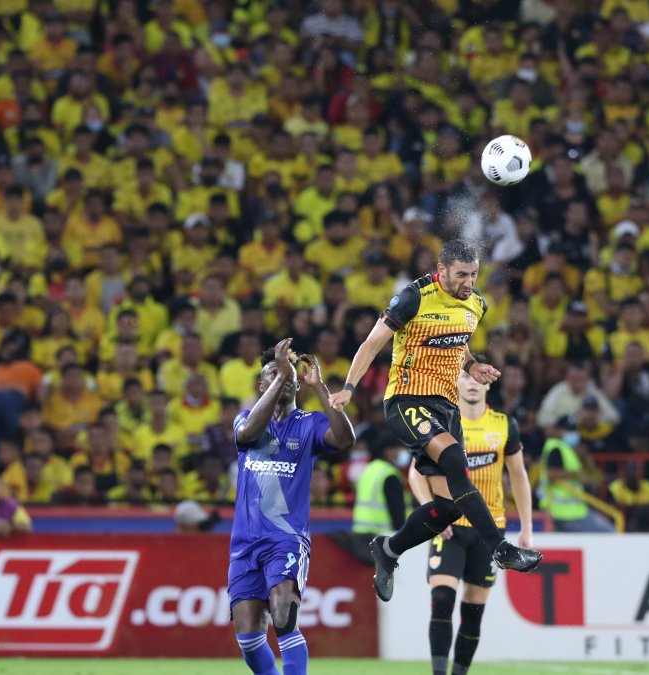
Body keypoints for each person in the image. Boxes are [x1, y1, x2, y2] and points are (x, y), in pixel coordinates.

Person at [329, 239, 542, 603]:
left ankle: (389, 549)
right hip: (407, 399)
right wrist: (349, 388)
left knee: (447, 508)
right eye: (461, 274)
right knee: (457, 462)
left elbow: (457, 346)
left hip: (446, 408)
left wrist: (473, 365)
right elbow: (371, 344)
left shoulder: (477, 304)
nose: (469, 282)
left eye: (474, 274)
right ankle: (500, 549)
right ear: (441, 270)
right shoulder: (413, 297)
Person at [229, 338, 354, 675]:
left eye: (286, 375)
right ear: (261, 384)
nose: (279, 378)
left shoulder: (309, 424)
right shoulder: (246, 420)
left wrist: (321, 388)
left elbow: (344, 440)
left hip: (286, 538)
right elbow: (247, 434)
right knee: (249, 641)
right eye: (271, 374)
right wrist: (284, 374)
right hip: (245, 544)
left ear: (298, 384)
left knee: (284, 615)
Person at [409, 369, 534, 675]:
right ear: (456, 382)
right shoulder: (442, 423)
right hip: (450, 528)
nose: (473, 384)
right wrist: (434, 510)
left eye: (479, 379)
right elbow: (416, 472)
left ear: (489, 383)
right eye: (466, 377)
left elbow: (518, 477)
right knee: (441, 598)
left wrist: (526, 530)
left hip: (489, 532)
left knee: (473, 612)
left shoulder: (505, 425)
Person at [350, 443, 409, 535]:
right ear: (388, 451)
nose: (403, 452)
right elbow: (396, 510)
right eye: (398, 448)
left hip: (360, 531)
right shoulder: (389, 474)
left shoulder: (368, 469)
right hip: (383, 534)